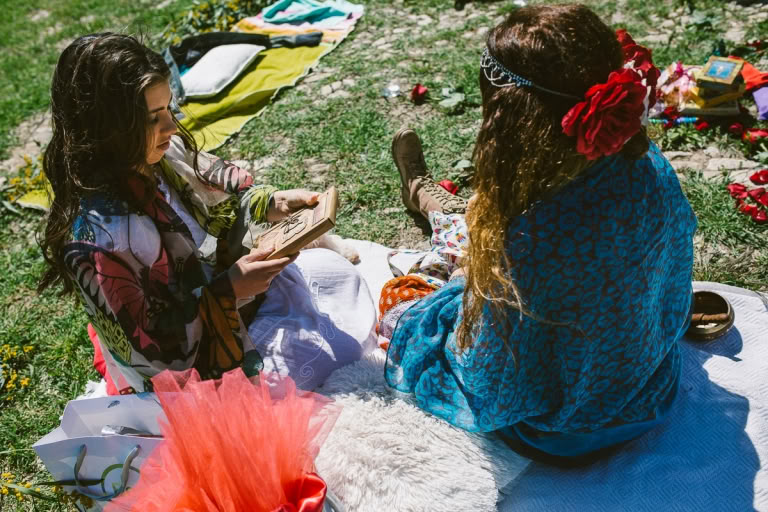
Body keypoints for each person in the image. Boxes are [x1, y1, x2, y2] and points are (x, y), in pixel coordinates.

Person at [381, 4, 697, 464]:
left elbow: (491, 382)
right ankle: (432, 204)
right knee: (474, 242)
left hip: (556, 432)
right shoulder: (650, 168)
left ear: (513, 118)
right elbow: (670, 292)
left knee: (407, 303)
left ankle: (431, 205)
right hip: (647, 391)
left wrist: (459, 297)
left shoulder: (529, 239)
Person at [38, 33, 376, 394]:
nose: (170, 127)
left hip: (227, 304)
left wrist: (270, 203)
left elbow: (219, 197)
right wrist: (228, 291)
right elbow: (156, 354)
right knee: (326, 355)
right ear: (108, 129)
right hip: (196, 366)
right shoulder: (102, 237)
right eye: (152, 118)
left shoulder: (159, 155)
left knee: (336, 274)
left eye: (168, 108)